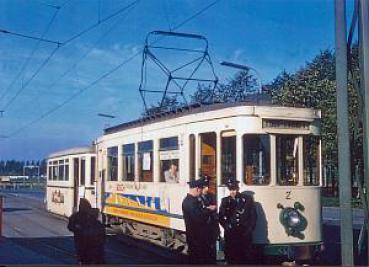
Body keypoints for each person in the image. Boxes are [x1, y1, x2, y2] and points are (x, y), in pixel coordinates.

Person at [219, 178, 257, 264]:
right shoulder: (225, 201)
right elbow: (221, 217)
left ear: (238, 189)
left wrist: (250, 229)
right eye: (231, 190)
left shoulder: (247, 199)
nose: (233, 192)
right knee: (231, 257)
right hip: (231, 234)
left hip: (244, 234)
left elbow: (253, 216)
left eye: (234, 189)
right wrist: (226, 227)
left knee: (245, 257)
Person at [182, 179, 216, 264]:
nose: (201, 192)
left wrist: (205, 209)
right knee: (199, 259)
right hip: (197, 238)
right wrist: (209, 210)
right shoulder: (192, 202)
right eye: (201, 190)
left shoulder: (188, 200)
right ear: (197, 189)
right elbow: (199, 218)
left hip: (194, 237)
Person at [67, 198, 106, 264]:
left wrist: (77, 229)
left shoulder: (76, 216)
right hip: (95, 248)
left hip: (82, 244)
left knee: (84, 259)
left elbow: (70, 226)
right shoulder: (97, 223)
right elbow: (102, 235)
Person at [198, 176, 220, 262]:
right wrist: (208, 208)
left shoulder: (212, 196)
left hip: (212, 227)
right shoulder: (197, 198)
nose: (207, 189)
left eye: (208, 186)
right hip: (203, 229)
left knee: (212, 251)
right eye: (204, 187)